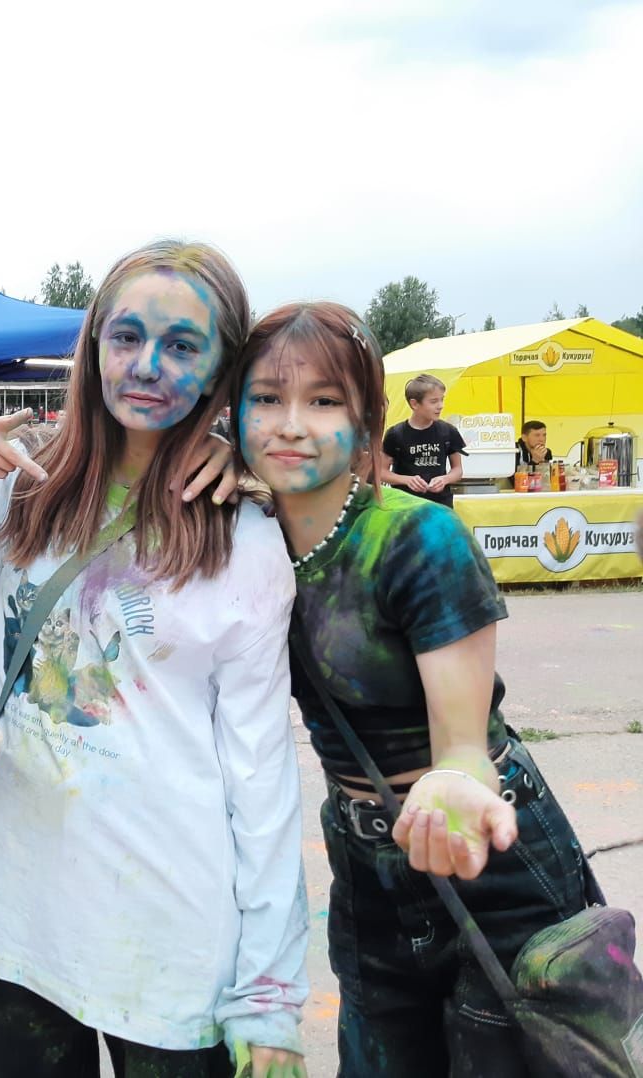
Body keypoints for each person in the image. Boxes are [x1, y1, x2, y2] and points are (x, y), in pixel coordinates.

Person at [0, 240, 308, 1077]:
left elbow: (263, 782)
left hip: (166, 949)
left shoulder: (243, 539)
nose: (146, 365)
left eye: (181, 346)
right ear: (93, 343)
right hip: (12, 917)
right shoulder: (24, 488)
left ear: (218, 368)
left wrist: (271, 993)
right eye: (125, 337)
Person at [229, 301, 593, 1077]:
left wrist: (458, 782)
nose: (292, 423)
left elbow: (464, 745)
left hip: (487, 850)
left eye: (324, 401)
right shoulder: (238, 539)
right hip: (365, 865)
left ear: (367, 424)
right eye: (266, 398)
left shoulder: (419, 539)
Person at [379, 374, 466, 507]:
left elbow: (458, 470)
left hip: (441, 506)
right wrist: (406, 480)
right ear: (414, 404)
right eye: (433, 401)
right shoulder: (395, 434)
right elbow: (381, 472)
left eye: (442, 400)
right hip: (405, 506)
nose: (440, 406)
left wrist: (444, 479)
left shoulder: (448, 431)